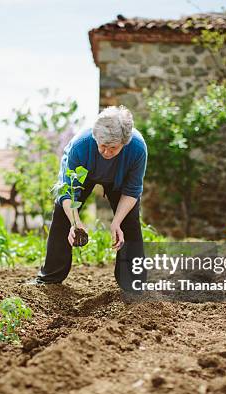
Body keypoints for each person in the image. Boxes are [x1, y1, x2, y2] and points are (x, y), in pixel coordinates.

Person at [30, 105, 148, 291]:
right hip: (81, 176)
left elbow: (132, 190)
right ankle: (50, 278)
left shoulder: (137, 149)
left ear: (124, 143)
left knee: (129, 222)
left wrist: (116, 222)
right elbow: (67, 191)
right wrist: (75, 223)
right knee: (63, 216)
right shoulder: (80, 145)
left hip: (120, 179)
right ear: (95, 138)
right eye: (103, 146)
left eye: (113, 148)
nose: (107, 152)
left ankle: (133, 283)